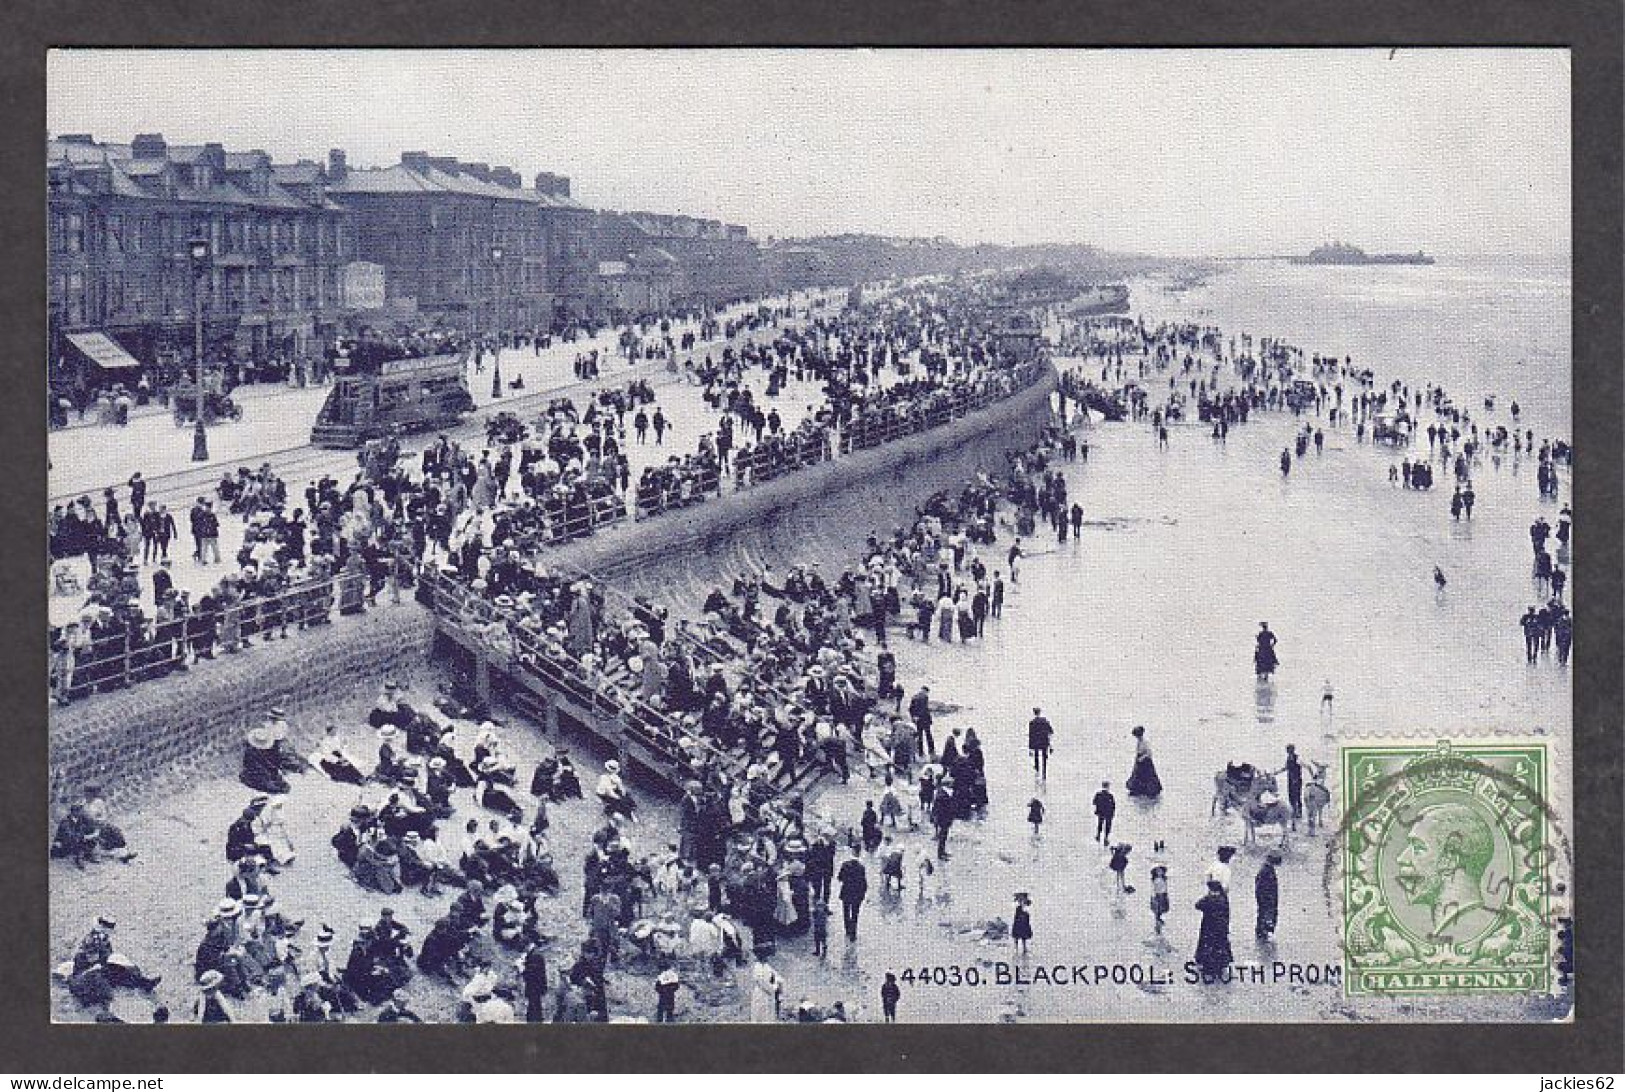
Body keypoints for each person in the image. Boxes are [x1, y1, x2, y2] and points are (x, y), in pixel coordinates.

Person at [1194, 880, 1234, 980]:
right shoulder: (1223, 899)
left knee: (1209, 946)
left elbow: (1198, 905)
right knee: (1220, 945)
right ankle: (1221, 964)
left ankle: (1209, 966)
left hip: (1209, 928)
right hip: (1221, 928)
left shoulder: (1209, 899)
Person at [837, 847, 868, 942]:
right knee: (855, 913)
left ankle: (847, 930)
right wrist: (863, 893)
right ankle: (853, 933)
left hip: (846, 892)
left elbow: (840, 878)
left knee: (846, 912)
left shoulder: (845, 865)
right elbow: (863, 882)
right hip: (857, 894)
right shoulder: (861, 867)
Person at [1126, 726, 1162, 799]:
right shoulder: (1139, 742)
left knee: (1148, 777)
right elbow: (1138, 752)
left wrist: (1141, 758)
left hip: (1146, 762)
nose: (1137, 738)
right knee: (1137, 776)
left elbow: (1149, 753)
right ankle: (1138, 790)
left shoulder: (1145, 742)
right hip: (1139, 762)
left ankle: (1149, 790)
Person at [1255, 850, 1281, 940]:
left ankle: (1263, 933)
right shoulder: (1266, 871)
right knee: (1267, 915)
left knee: (1264, 915)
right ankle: (1264, 933)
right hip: (1267, 899)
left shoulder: (1266, 869)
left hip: (1266, 898)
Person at [749, 958, 783, 1023]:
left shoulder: (767, 966)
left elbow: (778, 977)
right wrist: (774, 988)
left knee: (768, 1016)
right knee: (759, 1015)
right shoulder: (757, 967)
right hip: (760, 993)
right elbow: (761, 982)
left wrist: (778, 982)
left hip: (768, 995)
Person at [1027, 707, 1053, 779]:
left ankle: (1037, 771)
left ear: (1034, 713)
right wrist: (1050, 745)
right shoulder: (1045, 721)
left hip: (1036, 742)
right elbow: (1051, 732)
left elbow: (1030, 735)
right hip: (1044, 741)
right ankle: (1044, 771)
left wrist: (1030, 748)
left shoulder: (1032, 723)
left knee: (1036, 756)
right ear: (1040, 712)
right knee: (1044, 756)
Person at [1149, 865, 1170, 932]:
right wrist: (1153, 896)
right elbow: (1153, 888)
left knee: (1162, 909)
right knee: (1157, 909)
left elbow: (1165, 887)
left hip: (1163, 895)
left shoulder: (1164, 879)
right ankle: (1157, 920)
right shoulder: (1155, 880)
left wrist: (1166, 894)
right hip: (1157, 896)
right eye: (1158, 871)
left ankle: (1159, 919)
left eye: (1161, 871)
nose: (1160, 873)